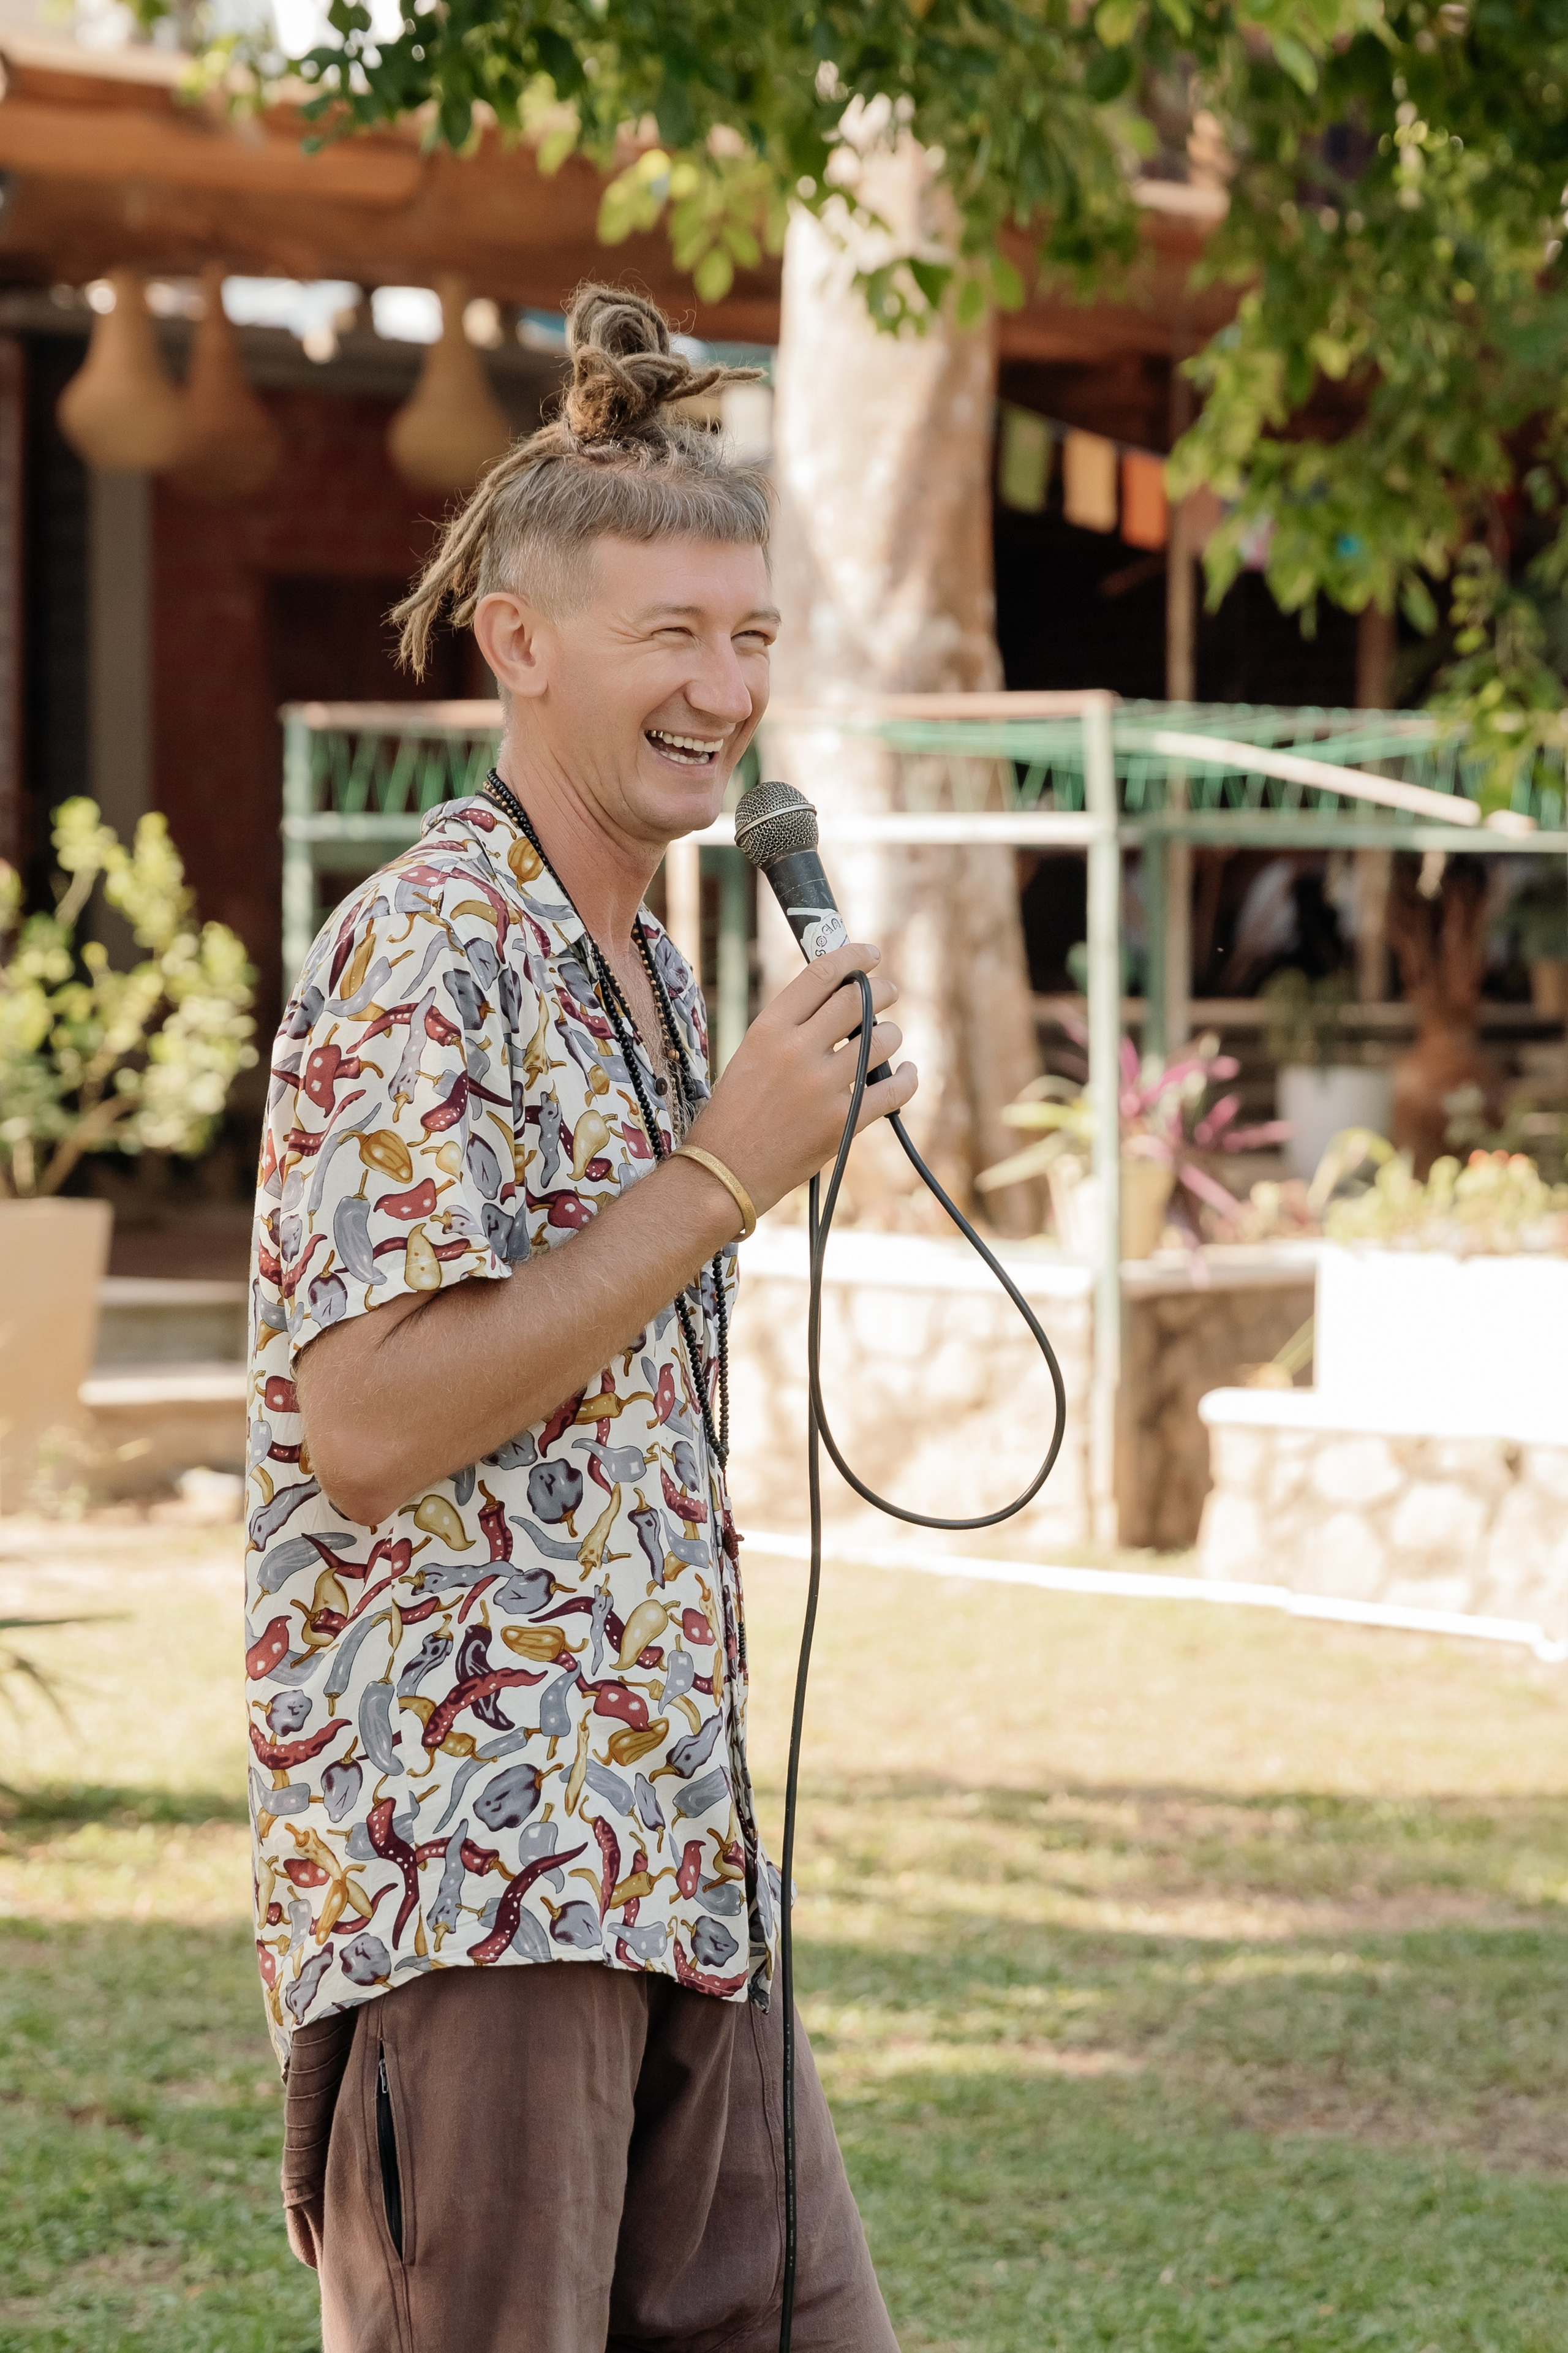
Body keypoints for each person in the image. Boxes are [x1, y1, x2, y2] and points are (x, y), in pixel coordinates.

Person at [247, 284, 916, 2353]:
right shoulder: (423, 950)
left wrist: (746, 1138)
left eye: (753, 638)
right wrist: (723, 1170)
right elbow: (362, 1424)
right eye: (671, 635)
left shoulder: (657, 961)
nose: (725, 690)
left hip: (670, 1854)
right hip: (481, 1875)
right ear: (520, 641)